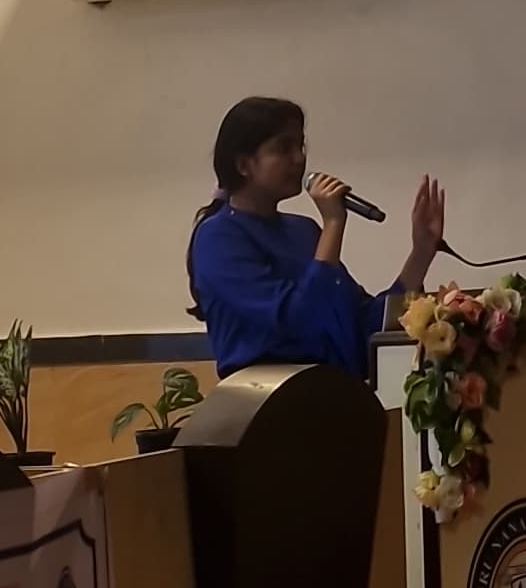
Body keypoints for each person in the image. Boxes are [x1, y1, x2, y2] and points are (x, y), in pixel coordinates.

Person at [184, 95, 446, 381]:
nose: (299, 158)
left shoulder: (303, 230)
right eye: (284, 148)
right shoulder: (217, 237)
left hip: (336, 392)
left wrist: (421, 253)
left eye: (300, 146)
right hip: (272, 399)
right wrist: (333, 222)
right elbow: (299, 320)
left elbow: (360, 321)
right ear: (244, 164)